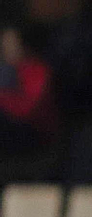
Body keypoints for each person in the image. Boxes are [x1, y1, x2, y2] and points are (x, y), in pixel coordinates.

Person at [0, 24, 56, 153]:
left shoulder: (37, 69)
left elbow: (29, 109)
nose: (5, 48)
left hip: (35, 132)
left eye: (11, 43)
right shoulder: (7, 69)